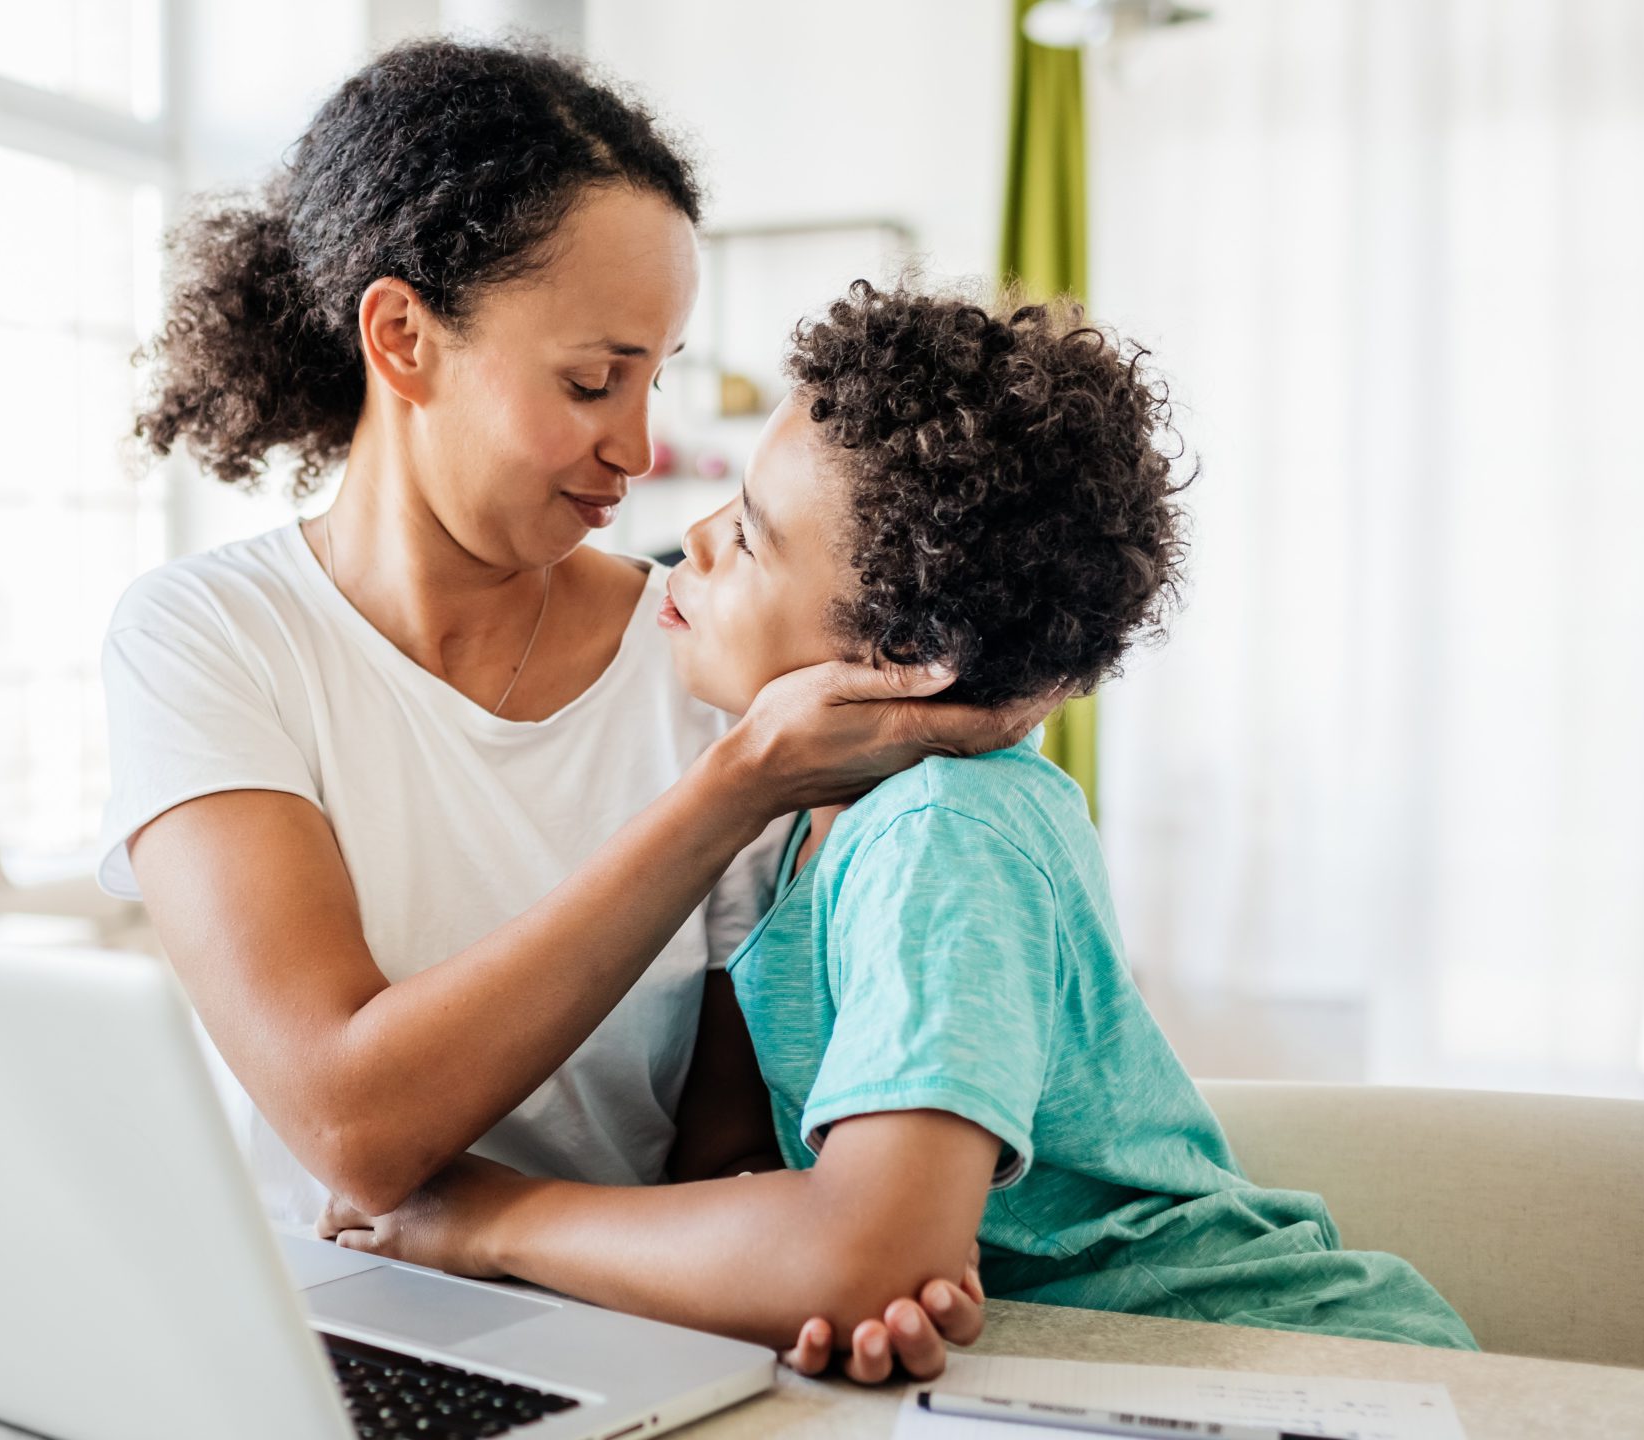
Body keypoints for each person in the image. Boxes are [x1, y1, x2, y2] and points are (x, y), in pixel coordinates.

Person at [102, 41, 1047, 1380]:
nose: (642, 445)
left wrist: (824, 1287)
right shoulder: (207, 640)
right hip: (317, 1324)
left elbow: (726, 1148)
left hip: (623, 1337)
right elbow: (353, 1131)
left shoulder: (714, 662)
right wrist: (727, 796)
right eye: (594, 380)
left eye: (658, 374)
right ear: (403, 339)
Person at [318, 284, 1479, 1353]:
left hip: (1278, 1368)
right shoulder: (815, 826)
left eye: (755, 535)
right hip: (1061, 1374)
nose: (699, 542)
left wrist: (486, 1219)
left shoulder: (942, 833)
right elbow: (787, 1212)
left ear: (909, 657)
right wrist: (814, 1265)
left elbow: (862, 1254)